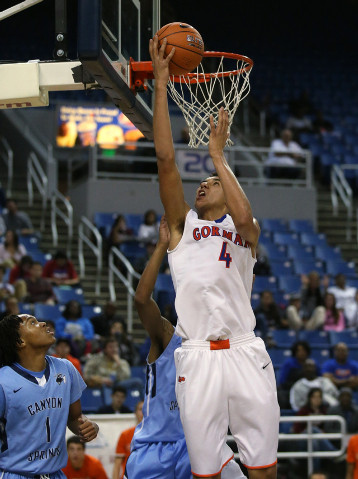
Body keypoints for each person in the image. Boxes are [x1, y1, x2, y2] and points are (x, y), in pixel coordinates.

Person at [150, 36, 279, 478]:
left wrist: (218, 156)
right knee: (206, 474)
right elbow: (166, 160)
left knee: (263, 470)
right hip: (198, 355)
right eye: (201, 182)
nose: (202, 185)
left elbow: (245, 219)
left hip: (245, 351)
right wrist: (162, 85)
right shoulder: (182, 226)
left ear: (229, 188)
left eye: (213, 182)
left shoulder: (244, 229)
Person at [125, 214, 245, 479]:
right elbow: (141, 301)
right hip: (156, 447)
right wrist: (160, 247)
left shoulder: (224, 343)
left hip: (201, 447)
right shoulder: (169, 334)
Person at [0, 312, 99, 477]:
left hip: (55, 473)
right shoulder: (3, 381)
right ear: (20, 341)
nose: (43, 323)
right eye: (32, 323)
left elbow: (75, 418)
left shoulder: (66, 368)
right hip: (15, 473)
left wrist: (88, 426)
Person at [293, 388, 336, 471]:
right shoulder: (303, 411)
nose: (317, 399)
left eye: (319, 397)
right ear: (310, 398)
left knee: (314, 441)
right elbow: (296, 429)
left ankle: (315, 472)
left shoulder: (325, 410)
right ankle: (333, 453)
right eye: (314, 397)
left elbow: (328, 429)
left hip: (318, 441)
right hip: (302, 441)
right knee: (313, 430)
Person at [113, 401, 144, 479]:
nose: (144, 412)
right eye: (140, 409)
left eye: (146, 409)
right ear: (135, 413)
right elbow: (117, 465)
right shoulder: (125, 435)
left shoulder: (156, 436)